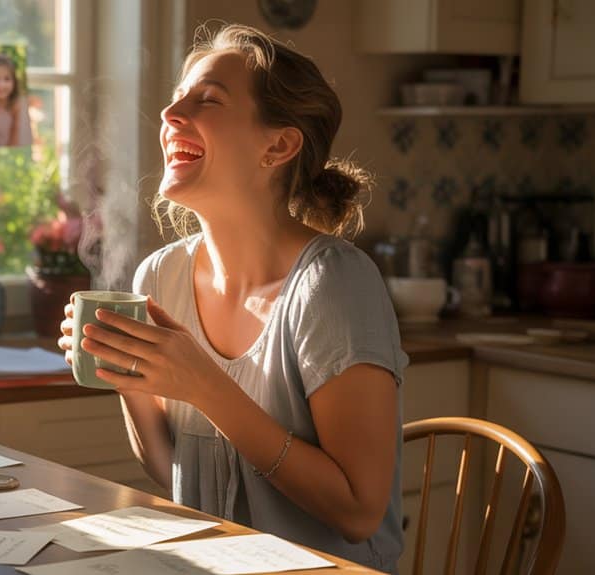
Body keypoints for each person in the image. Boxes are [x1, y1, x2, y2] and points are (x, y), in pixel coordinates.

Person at [58, 24, 408, 574]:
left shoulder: (333, 286)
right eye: (177, 98)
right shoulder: (160, 275)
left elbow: (358, 513)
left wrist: (204, 386)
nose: (171, 114)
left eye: (208, 99)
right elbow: (174, 469)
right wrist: (128, 376)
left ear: (278, 145)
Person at [0, 54, 32, 147]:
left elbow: (14, 139)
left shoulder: (17, 104)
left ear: (14, 81)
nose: (1, 85)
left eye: (7, 79)